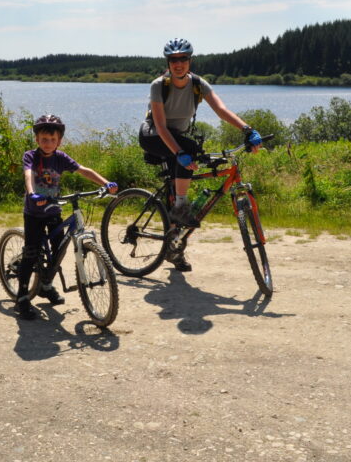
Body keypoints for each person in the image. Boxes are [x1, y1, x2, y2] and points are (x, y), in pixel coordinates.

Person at [138, 38, 262, 271]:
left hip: (176, 139)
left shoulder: (198, 84)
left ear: (189, 60)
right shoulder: (159, 85)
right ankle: (182, 208)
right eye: (174, 59)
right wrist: (180, 152)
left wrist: (247, 129)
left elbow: (221, 110)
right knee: (190, 150)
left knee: (185, 167)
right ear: (168, 62)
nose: (178, 64)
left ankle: (174, 247)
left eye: (183, 59)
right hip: (153, 134)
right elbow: (162, 127)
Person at [16, 114, 118, 321]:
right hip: (34, 213)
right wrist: (31, 193)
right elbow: (28, 175)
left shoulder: (60, 158)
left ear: (59, 141)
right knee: (31, 253)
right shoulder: (31, 156)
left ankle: (45, 286)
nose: (48, 143)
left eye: (53, 140)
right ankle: (23, 296)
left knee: (58, 250)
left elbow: (83, 170)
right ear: (37, 139)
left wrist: (105, 183)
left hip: (54, 211)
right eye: (44, 139)